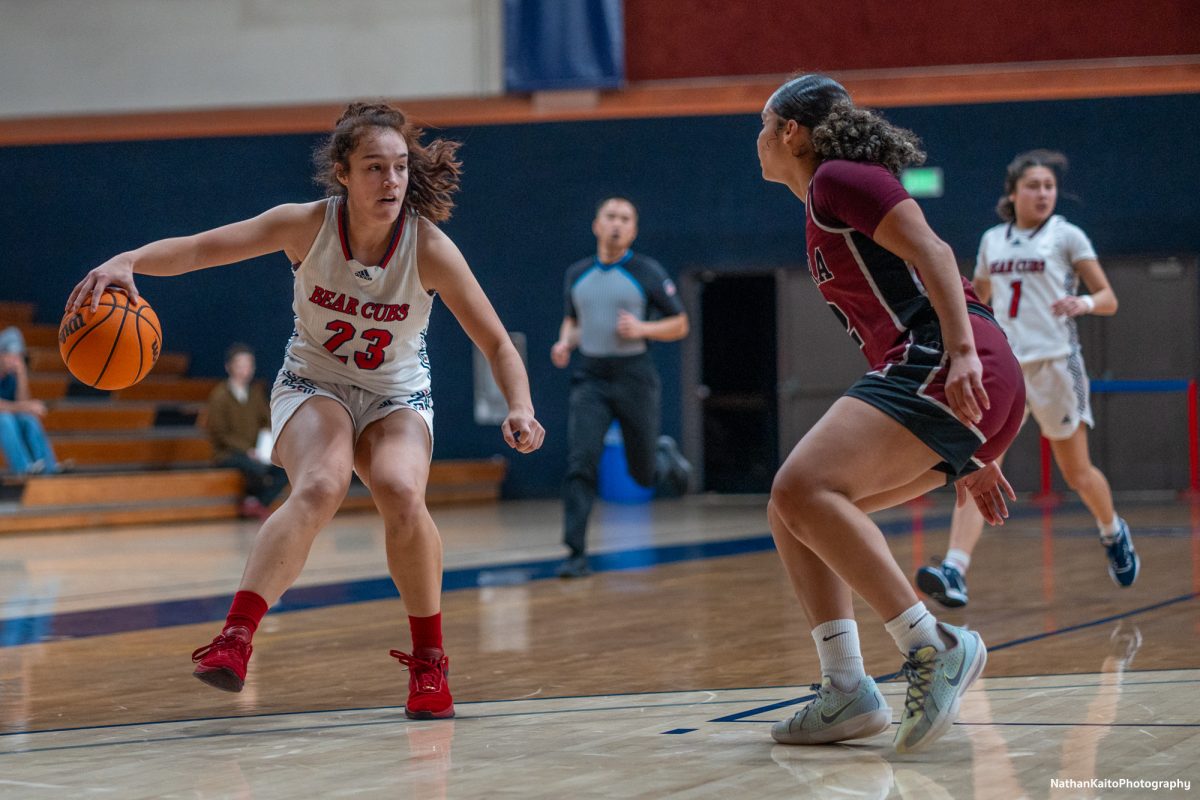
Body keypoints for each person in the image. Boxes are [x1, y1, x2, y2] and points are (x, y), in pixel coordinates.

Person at [67, 102, 545, 720]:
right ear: (342, 173)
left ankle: (430, 665)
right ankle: (236, 639)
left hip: (395, 393)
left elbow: (499, 342)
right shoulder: (305, 226)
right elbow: (201, 249)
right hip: (313, 380)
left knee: (401, 490)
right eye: (375, 168)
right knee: (321, 484)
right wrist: (127, 260)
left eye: (400, 167)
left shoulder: (428, 247)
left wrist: (522, 406)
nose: (392, 181)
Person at [755, 74, 1026, 754]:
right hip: (953, 379)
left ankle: (934, 645)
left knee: (802, 486)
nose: (756, 141)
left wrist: (960, 354)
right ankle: (845, 688)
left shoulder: (839, 178)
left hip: (952, 357)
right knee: (790, 509)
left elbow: (934, 253)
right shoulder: (825, 200)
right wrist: (974, 454)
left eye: (762, 127)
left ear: (791, 130)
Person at [915, 150, 1138, 609]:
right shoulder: (993, 240)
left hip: (1056, 364)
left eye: (1049, 186)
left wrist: (1086, 304)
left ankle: (1113, 531)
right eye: (1034, 186)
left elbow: (1109, 296)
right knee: (975, 464)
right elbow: (976, 299)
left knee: (1075, 471)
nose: (1043, 193)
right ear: (1013, 193)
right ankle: (954, 569)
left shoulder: (1067, 236)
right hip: (1007, 370)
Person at [550, 196, 691, 578]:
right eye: (610, 217)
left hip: (635, 376)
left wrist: (643, 328)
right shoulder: (576, 273)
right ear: (597, 225)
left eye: (625, 219)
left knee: (641, 474)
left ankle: (662, 456)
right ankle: (575, 554)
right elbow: (574, 320)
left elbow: (680, 324)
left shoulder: (646, 271)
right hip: (590, 378)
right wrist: (566, 343)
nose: (616, 224)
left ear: (633, 230)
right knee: (581, 463)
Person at [207, 343, 289, 521]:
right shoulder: (219, 396)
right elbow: (220, 434)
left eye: (249, 365)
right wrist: (246, 450)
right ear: (229, 367)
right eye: (240, 365)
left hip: (256, 451)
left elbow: (267, 420)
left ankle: (256, 503)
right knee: (257, 469)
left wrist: (265, 445)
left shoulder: (255, 393)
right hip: (228, 454)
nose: (245, 370)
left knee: (285, 470)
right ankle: (253, 503)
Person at [0, 326, 60, 476]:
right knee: (5, 420)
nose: (15, 361)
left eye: (18, 356)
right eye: (11, 356)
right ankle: (23, 470)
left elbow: (23, 401)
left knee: (29, 419)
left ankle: (49, 468)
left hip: (10, 414)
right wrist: (27, 406)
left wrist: (22, 375)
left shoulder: (12, 375)